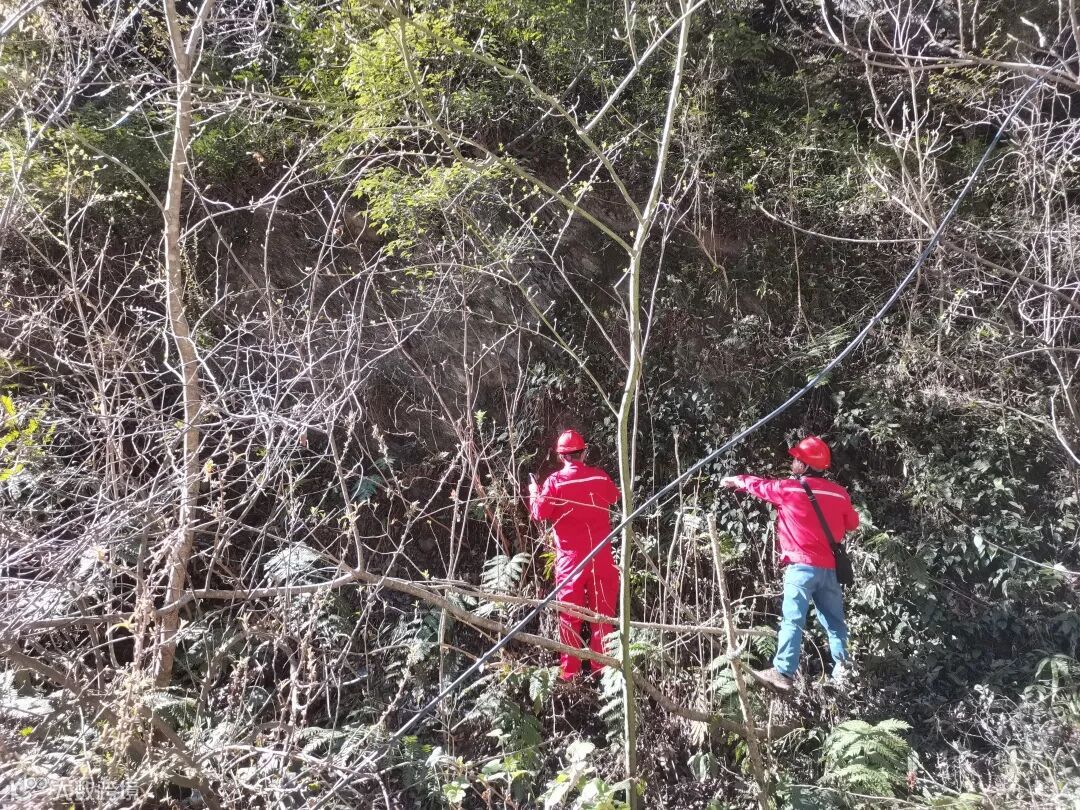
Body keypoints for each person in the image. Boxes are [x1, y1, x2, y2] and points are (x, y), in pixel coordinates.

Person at [720, 435, 859, 691]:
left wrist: (737, 480)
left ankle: (784, 672)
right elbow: (852, 523)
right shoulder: (840, 493)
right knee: (836, 624)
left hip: (801, 568)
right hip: (829, 570)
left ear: (804, 466)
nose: (793, 462)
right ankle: (844, 675)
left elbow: (760, 486)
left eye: (796, 459)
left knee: (792, 620)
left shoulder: (789, 489)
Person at [529, 429, 621, 680]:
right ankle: (601, 670)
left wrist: (534, 491)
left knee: (570, 617)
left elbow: (538, 513)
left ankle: (569, 673)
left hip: (571, 562)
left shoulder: (555, 482)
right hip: (602, 558)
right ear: (584, 452)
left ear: (561, 456)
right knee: (602, 615)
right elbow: (614, 497)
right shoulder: (600, 477)